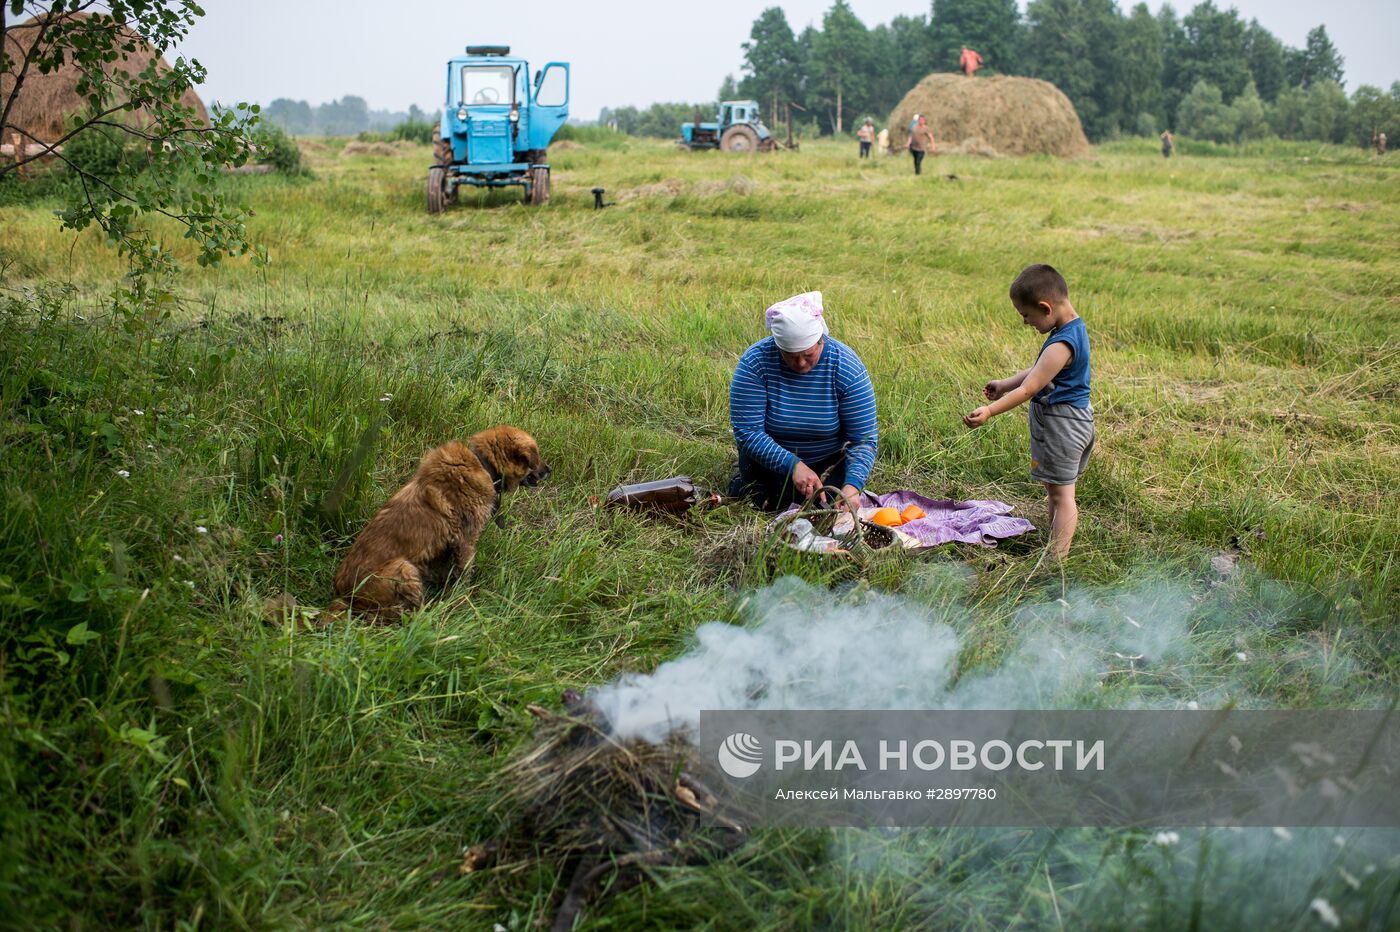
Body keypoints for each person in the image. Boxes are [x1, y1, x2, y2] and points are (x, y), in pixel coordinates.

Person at [963, 265, 1093, 559]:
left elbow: (1030, 388)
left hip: (1063, 426)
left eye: (1026, 315)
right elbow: (1040, 370)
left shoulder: (1062, 342)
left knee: (1063, 497)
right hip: (1068, 423)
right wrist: (1005, 384)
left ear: (1045, 308)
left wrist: (989, 411)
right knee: (1055, 491)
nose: (1025, 322)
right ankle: (1053, 541)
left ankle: (1055, 560)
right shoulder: (1071, 328)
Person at [729, 291, 877, 513]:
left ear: (821, 340)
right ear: (777, 346)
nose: (800, 363)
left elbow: (862, 439)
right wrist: (792, 465)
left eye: (808, 355)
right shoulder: (755, 362)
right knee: (765, 501)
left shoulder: (847, 368)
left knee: (825, 502)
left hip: (826, 460)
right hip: (769, 460)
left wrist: (852, 486)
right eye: (790, 355)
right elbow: (748, 432)